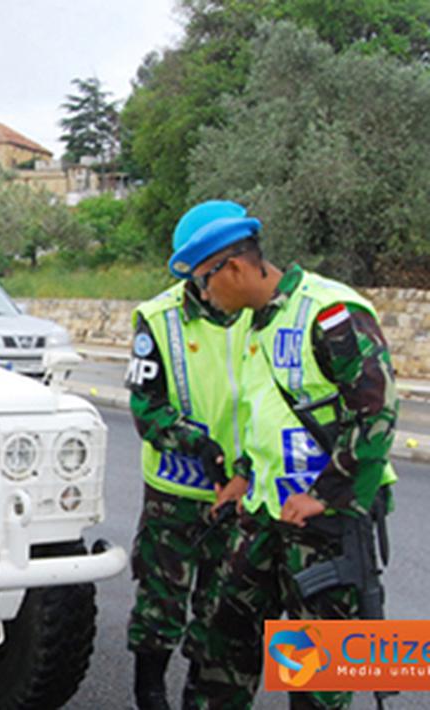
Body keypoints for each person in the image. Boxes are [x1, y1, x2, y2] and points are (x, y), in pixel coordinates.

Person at [169, 200, 398, 709]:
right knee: (221, 649)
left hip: (326, 525)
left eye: (205, 281)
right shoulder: (257, 323)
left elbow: (377, 412)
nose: (204, 296)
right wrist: (246, 476)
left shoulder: (330, 312)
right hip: (265, 515)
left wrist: (328, 494)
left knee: (313, 675)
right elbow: (270, 417)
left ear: (232, 266)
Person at [124, 201, 256, 710]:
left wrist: (243, 471)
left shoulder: (258, 313)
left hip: (243, 495)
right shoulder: (157, 320)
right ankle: (149, 692)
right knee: (161, 603)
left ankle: (199, 695)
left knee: (220, 607)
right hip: (175, 492)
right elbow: (146, 408)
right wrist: (197, 445)